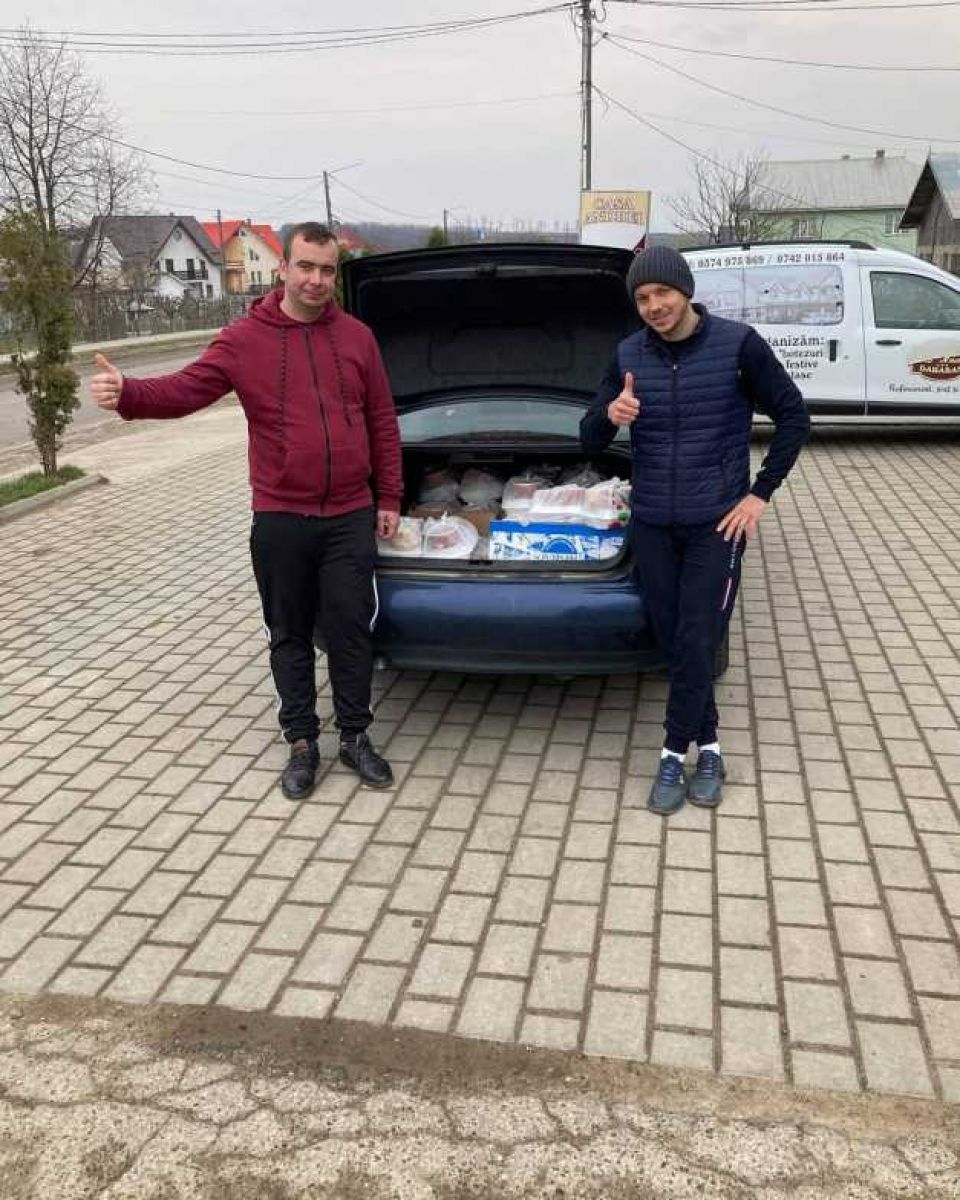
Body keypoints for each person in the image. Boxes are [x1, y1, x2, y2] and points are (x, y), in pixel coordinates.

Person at [91, 222, 402, 800]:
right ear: (283, 269)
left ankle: (355, 737)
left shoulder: (358, 338)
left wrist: (388, 496)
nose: (316, 280)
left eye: (327, 270)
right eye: (305, 266)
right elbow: (186, 390)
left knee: (350, 630)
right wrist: (128, 393)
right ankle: (302, 743)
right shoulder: (244, 340)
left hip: (349, 513)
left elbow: (382, 420)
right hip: (282, 514)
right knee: (288, 632)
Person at [581, 245, 809, 814]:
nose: (654, 305)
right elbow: (587, 438)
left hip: (718, 525)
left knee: (698, 638)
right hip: (653, 524)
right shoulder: (628, 354)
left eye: (662, 292)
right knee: (673, 639)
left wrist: (759, 494)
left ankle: (670, 754)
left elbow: (794, 416)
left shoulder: (739, 345)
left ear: (685, 291)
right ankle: (710, 748)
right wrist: (610, 416)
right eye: (642, 297)